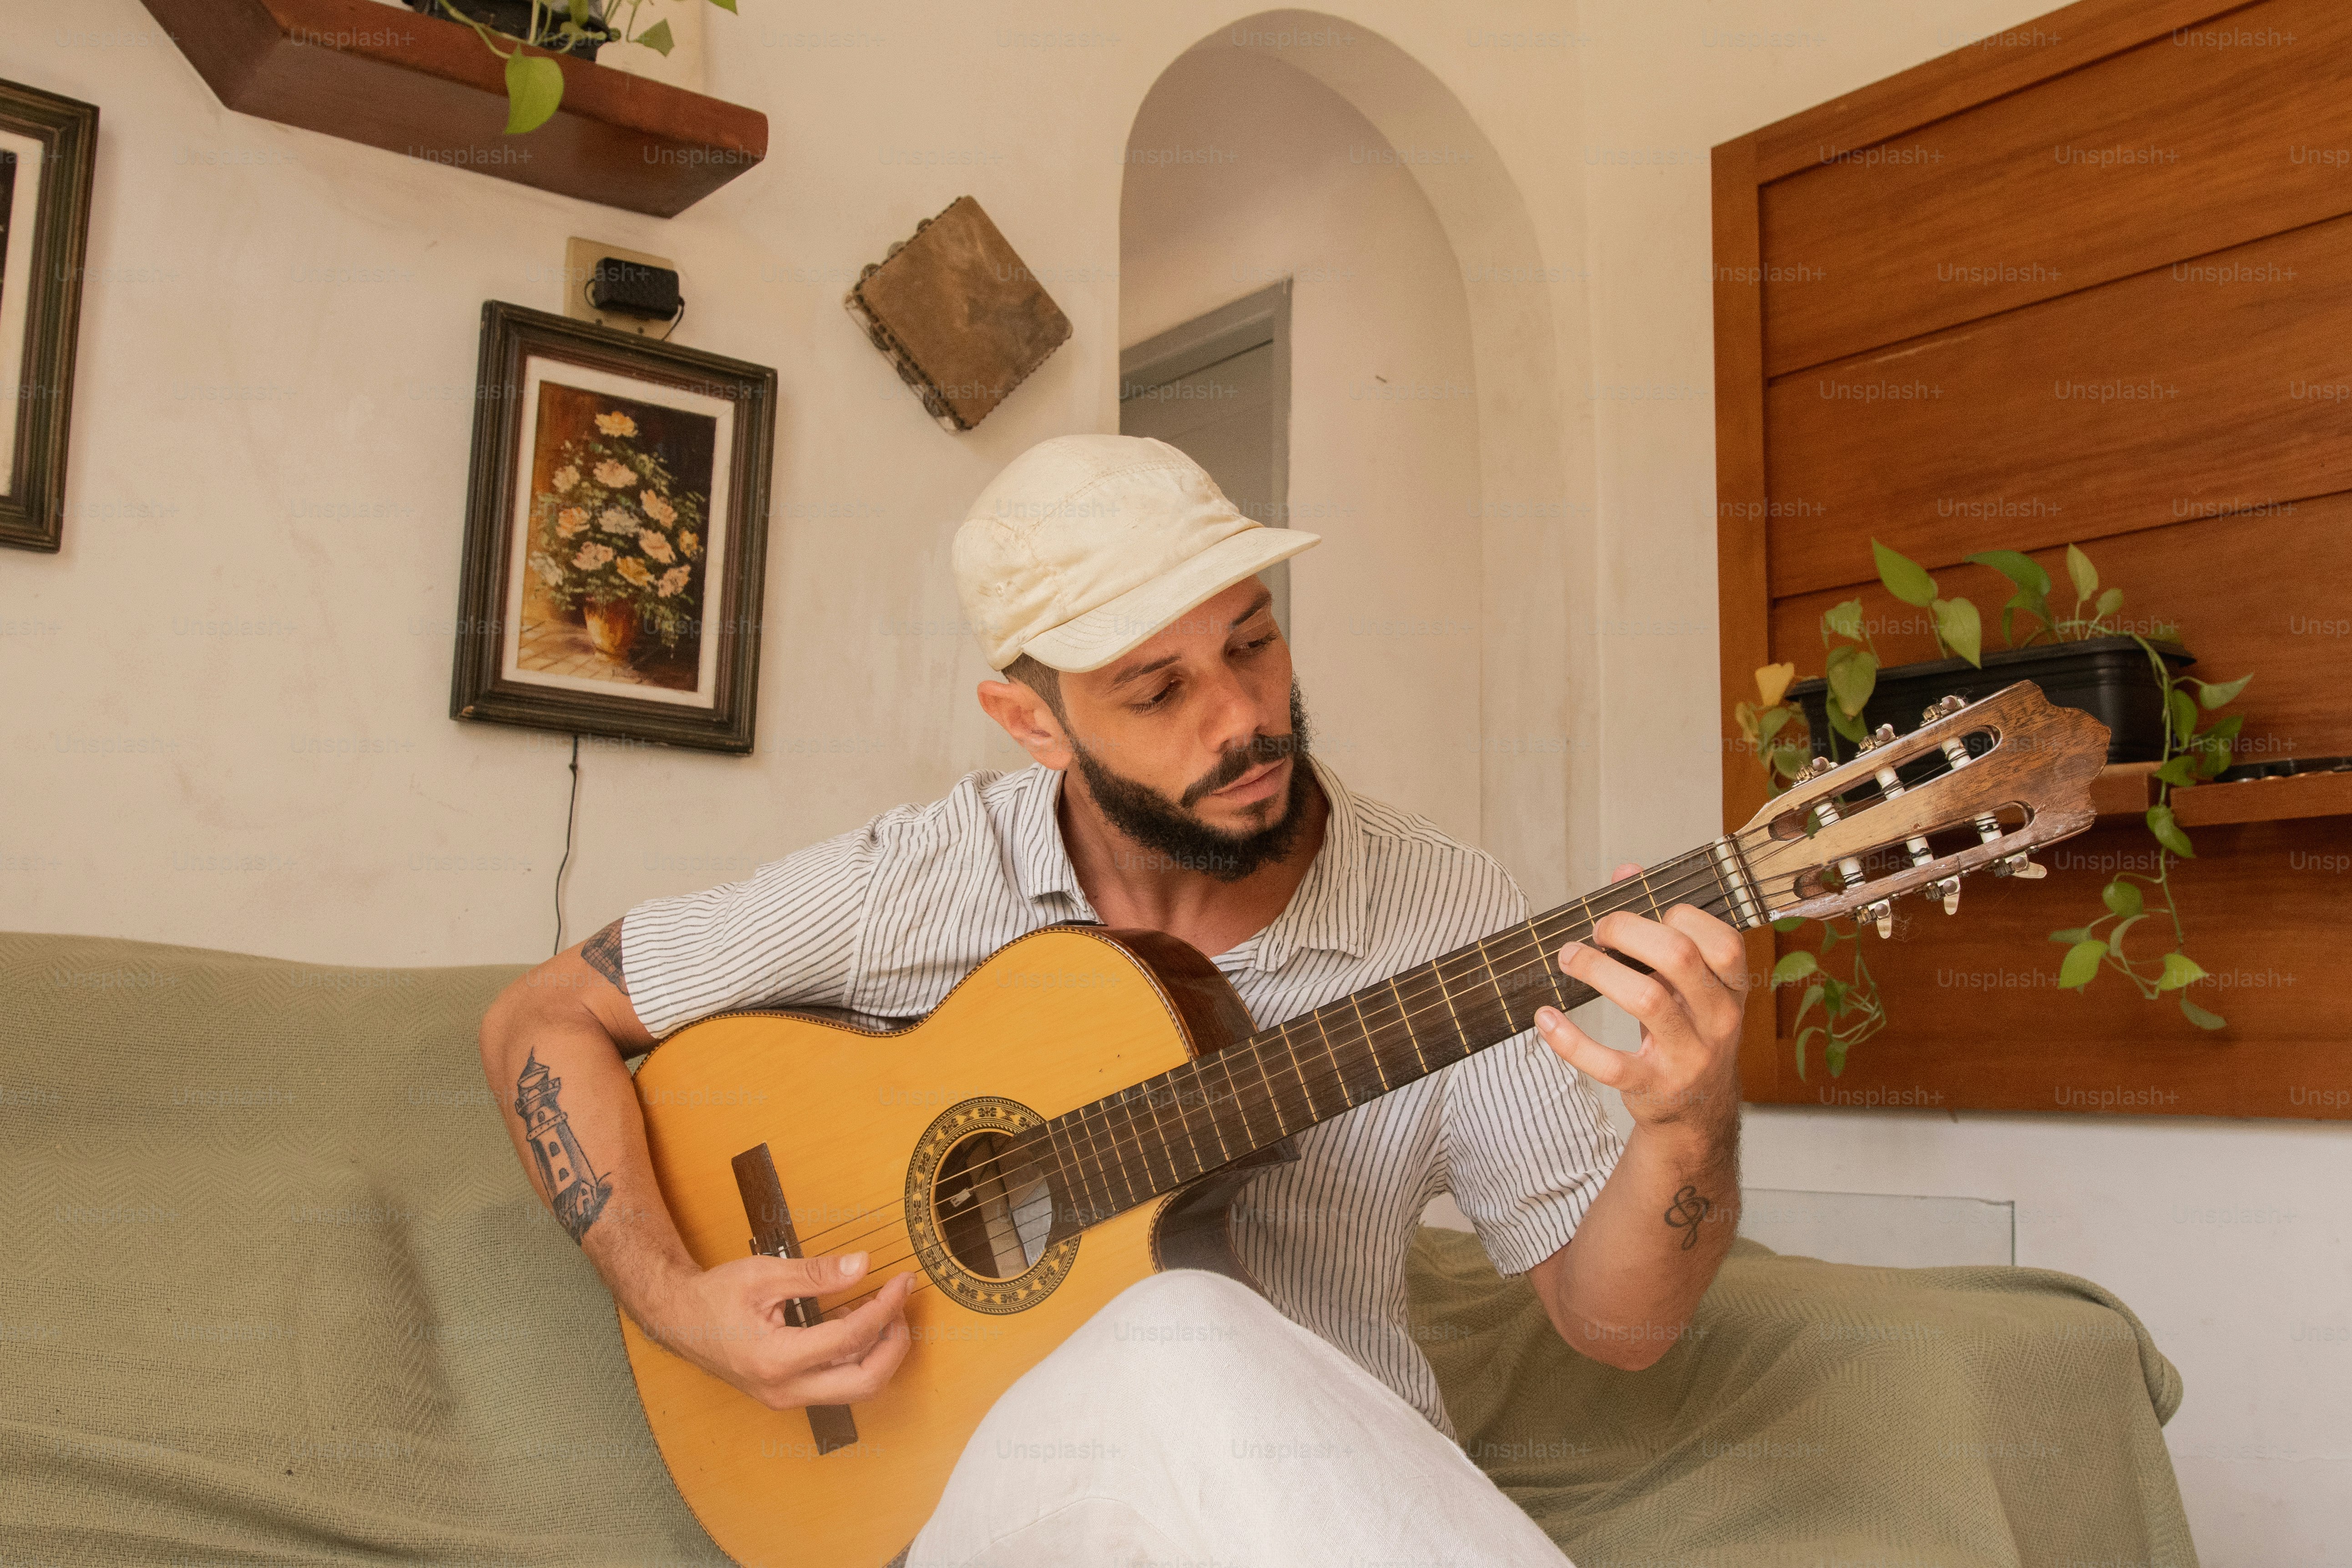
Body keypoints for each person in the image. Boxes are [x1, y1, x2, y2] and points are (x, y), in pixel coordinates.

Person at [478, 434, 1748, 1566]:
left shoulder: (1447, 911)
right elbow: (542, 1017)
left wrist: (1687, 1126)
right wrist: (679, 1305)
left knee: (1180, 1324)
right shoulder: (923, 877)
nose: (1244, 719)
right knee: (1176, 1321)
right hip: (971, 1512)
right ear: (1031, 724)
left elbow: (1615, 1329)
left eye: (1251, 641)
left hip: (1312, 1515)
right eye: (1157, 691)